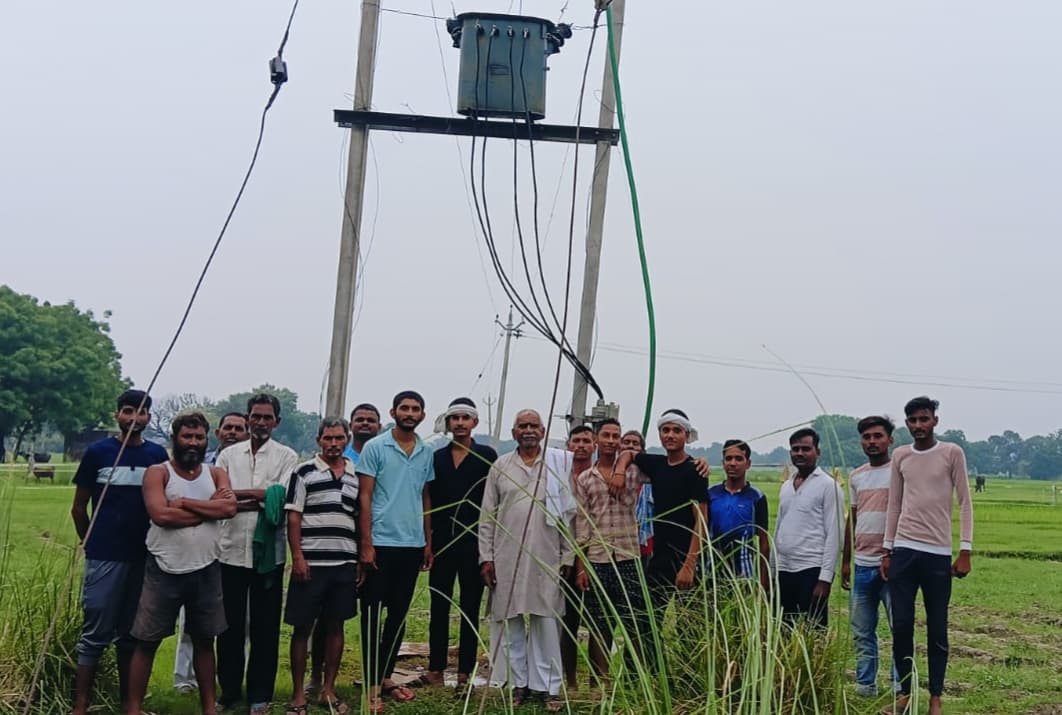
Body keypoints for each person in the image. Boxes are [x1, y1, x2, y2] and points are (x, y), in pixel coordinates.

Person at [125, 412, 237, 715]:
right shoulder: (158, 473)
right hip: (163, 568)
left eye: (199, 437)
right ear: (175, 438)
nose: (193, 443)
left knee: (205, 640)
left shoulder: (215, 473)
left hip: (207, 567)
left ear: (206, 440)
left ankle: (208, 708)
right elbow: (161, 515)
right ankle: (133, 709)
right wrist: (209, 509)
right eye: (187, 436)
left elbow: (229, 508)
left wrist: (185, 503)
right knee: (147, 640)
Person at [70, 389, 169, 715]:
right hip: (104, 555)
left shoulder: (156, 455)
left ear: (149, 417)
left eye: (141, 412)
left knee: (132, 633)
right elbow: (79, 508)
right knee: (96, 630)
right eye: (128, 411)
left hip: (143, 557)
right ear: (117, 414)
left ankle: (129, 704)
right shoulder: (98, 452)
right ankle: (81, 704)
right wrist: (91, 544)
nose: (134, 418)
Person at [882, 397, 974, 715]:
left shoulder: (951, 453)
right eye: (913, 420)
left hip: (937, 553)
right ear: (906, 424)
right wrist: (887, 549)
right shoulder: (901, 455)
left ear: (935, 420)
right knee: (901, 625)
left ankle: (935, 696)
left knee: (937, 627)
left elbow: (965, 502)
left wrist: (965, 549)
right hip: (904, 550)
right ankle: (906, 693)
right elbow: (894, 504)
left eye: (924, 419)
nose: (918, 425)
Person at [479, 409, 574, 712]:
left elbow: (569, 516)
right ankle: (518, 684)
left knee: (546, 622)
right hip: (506, 557)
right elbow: (487, 517)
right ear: (514, 432)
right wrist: (486, 557)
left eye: (534, 425)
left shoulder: (557, 465)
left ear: (543, 431)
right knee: (510, 622)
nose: (529, 430)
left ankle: (548, 687)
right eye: (523, 426)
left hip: (547, 557)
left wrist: (568, 555)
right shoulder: (501, 466)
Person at [215, 393, 299, 713]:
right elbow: (220, 497)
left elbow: (280, 498)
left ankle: (260, 695)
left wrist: (241, 498)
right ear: (248, 418)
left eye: (267, 417)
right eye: (256, 416)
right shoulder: (228, 455)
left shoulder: (287, 456)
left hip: (269, 556)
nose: (261, 422)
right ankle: (229, 692)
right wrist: (259, 497)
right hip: (229, 551)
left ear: (277, 421)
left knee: (265, 628)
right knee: (229, 627)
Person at [357, 391, 435, 712]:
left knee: (398, 615)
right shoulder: (376, 447)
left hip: (411, 544)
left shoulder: (426, 452)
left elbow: (425, 497)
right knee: (372, 615)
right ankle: (371, 687)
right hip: (381, 542)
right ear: (393, 412)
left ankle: (385, 677)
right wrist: (366, 543)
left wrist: (428, 541)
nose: (410, 413)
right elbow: (364, 496)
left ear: (422, 415)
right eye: (405, 408)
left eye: (415, 409)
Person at [611, 409, 709, 662]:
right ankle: (653, 673)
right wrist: (620, 471)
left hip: (687, 557)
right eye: (665, 430)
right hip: (660, 558)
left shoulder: (695, 470)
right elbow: (629, 453)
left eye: (676, 430)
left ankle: (689, 675)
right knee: (647, 620)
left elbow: (701, 521)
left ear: (686, 435)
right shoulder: (657, 464)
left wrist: (689, 564)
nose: (670, 435)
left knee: (688, 625)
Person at [284, 418, 360, 715]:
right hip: (311, 563)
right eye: (328, 438)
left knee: (335, 626)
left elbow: (357, 518)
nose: (333, 444)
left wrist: (358, 558)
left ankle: (328, 689)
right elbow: (294, 516)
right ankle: (298, 694)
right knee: (302, 627)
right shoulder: (304, 472)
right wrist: (298, 557)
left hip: (344, 561)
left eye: (339, 438)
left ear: (347, 439)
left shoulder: (355, 474)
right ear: (319, 440)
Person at [421, 398, 497, 694]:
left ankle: (465, 671)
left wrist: (490, 550)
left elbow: (493, 502)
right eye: (455, 418)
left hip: (474, 542)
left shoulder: (486, 456)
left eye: (466, 418)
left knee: (469, 607)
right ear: (448, 422)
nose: (460, 423)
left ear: (474, 422)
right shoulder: (437, 458)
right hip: (442, 541)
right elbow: (428, 499)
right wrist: (428, 542)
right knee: (439, 605)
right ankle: (436, 668)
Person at [307, 403, 381, 696]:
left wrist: (365, 547)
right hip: (321, 553)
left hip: (356, 549)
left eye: (370, 420)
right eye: (360, 419)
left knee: (345, 617)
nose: (365, 424)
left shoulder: (371, 459)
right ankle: (316, 677)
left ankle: (369, 677)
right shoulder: (327, 462)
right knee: (321, 620)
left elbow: (366, 507)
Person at [175, 411, 249, 693]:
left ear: (246, 433)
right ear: (217, 433)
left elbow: (231, 504)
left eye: (239, 428)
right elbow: (187, 502)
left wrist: (217, 504)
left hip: (234, 550)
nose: (233, 433)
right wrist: (213, 504)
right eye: (228, 427)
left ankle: (232, 679)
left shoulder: (245, 463)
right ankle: (185, 679)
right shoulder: (198, 461)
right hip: (195, 548)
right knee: (190, 622)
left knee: (237, 621)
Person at [573, 418, 648, 684]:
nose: (611, 441)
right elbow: (582, 523)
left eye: (616, 436)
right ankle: (600, 683)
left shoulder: (634, 472)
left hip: (629, 555)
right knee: (599, 623)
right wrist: (581, 566)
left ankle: (636, 682)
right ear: (596, 439)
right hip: (598, 558)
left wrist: (626, 458)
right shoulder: (586, 478)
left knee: (634, 622)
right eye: (606, 435)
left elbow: (662, 468)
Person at [840, 415, 900, 698]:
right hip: (862, 565)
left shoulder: (900, 472)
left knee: (900, 628)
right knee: (862, 631)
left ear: (890, 440)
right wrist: (845, 561)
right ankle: (865, 686)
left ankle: (900, 687)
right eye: (867, 437)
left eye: (878, 436)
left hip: (893, 564)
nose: (872, 442)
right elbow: (852, 519)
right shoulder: (856, 476)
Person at [774, 428, 845, 628]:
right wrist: (772, 570)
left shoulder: (828, 486)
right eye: (795, 449)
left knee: (812, 631)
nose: (800, 453)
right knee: (784, 628)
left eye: (806, 449)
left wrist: (825, 579)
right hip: (784, 569)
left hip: (811, 570)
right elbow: (778, 527)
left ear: (817, 452)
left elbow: (835, 534)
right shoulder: (786, 486)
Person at [560, 424, 595, 690]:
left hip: (596, 555)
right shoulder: (559, 475)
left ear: (594, 445)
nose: (581, 445)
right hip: (563, 555)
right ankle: (569, 679)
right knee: (567, 619)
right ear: (568, 444)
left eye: (586, 441)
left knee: (597, 620)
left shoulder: (599, 475)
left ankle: (597, 681)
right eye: (576, 440)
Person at [708, 439, 770, 589]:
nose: (733, 463)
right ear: (723, 463)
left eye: (739, 459)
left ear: (748, 463)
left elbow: (763, 542)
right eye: (728, 459)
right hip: (712, 573)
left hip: (744, 574)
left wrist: (763, 584)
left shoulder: (757, 497)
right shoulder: (710, 494)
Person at [623, 431, 653, 561]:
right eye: (626, 442)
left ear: (642, 449)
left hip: (643, 544)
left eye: (635, 443)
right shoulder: (612, 474)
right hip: (619, 542)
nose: (630, 446)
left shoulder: (650, 476)